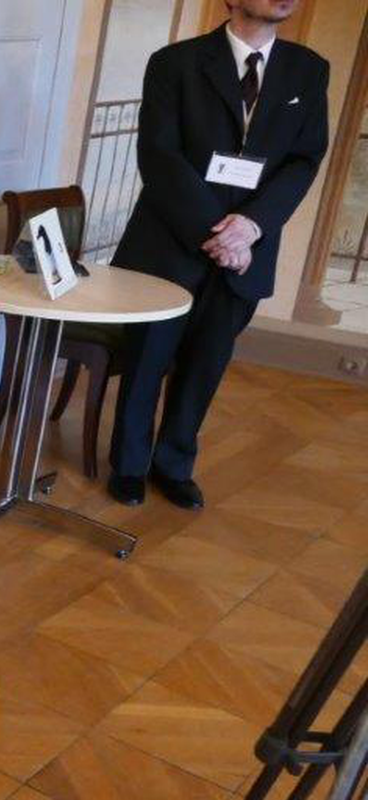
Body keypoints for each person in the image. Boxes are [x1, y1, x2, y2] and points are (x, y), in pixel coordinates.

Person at [107, 0, 327, 509]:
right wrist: (218, 235)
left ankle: (173, 464)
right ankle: (130, 465)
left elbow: (303, 160)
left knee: (205, 364)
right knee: (147, 360)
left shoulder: (309, 70)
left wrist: (250, 227)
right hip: (170, 243)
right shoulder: (175, 63)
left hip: (249, 248)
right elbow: (159, 156)